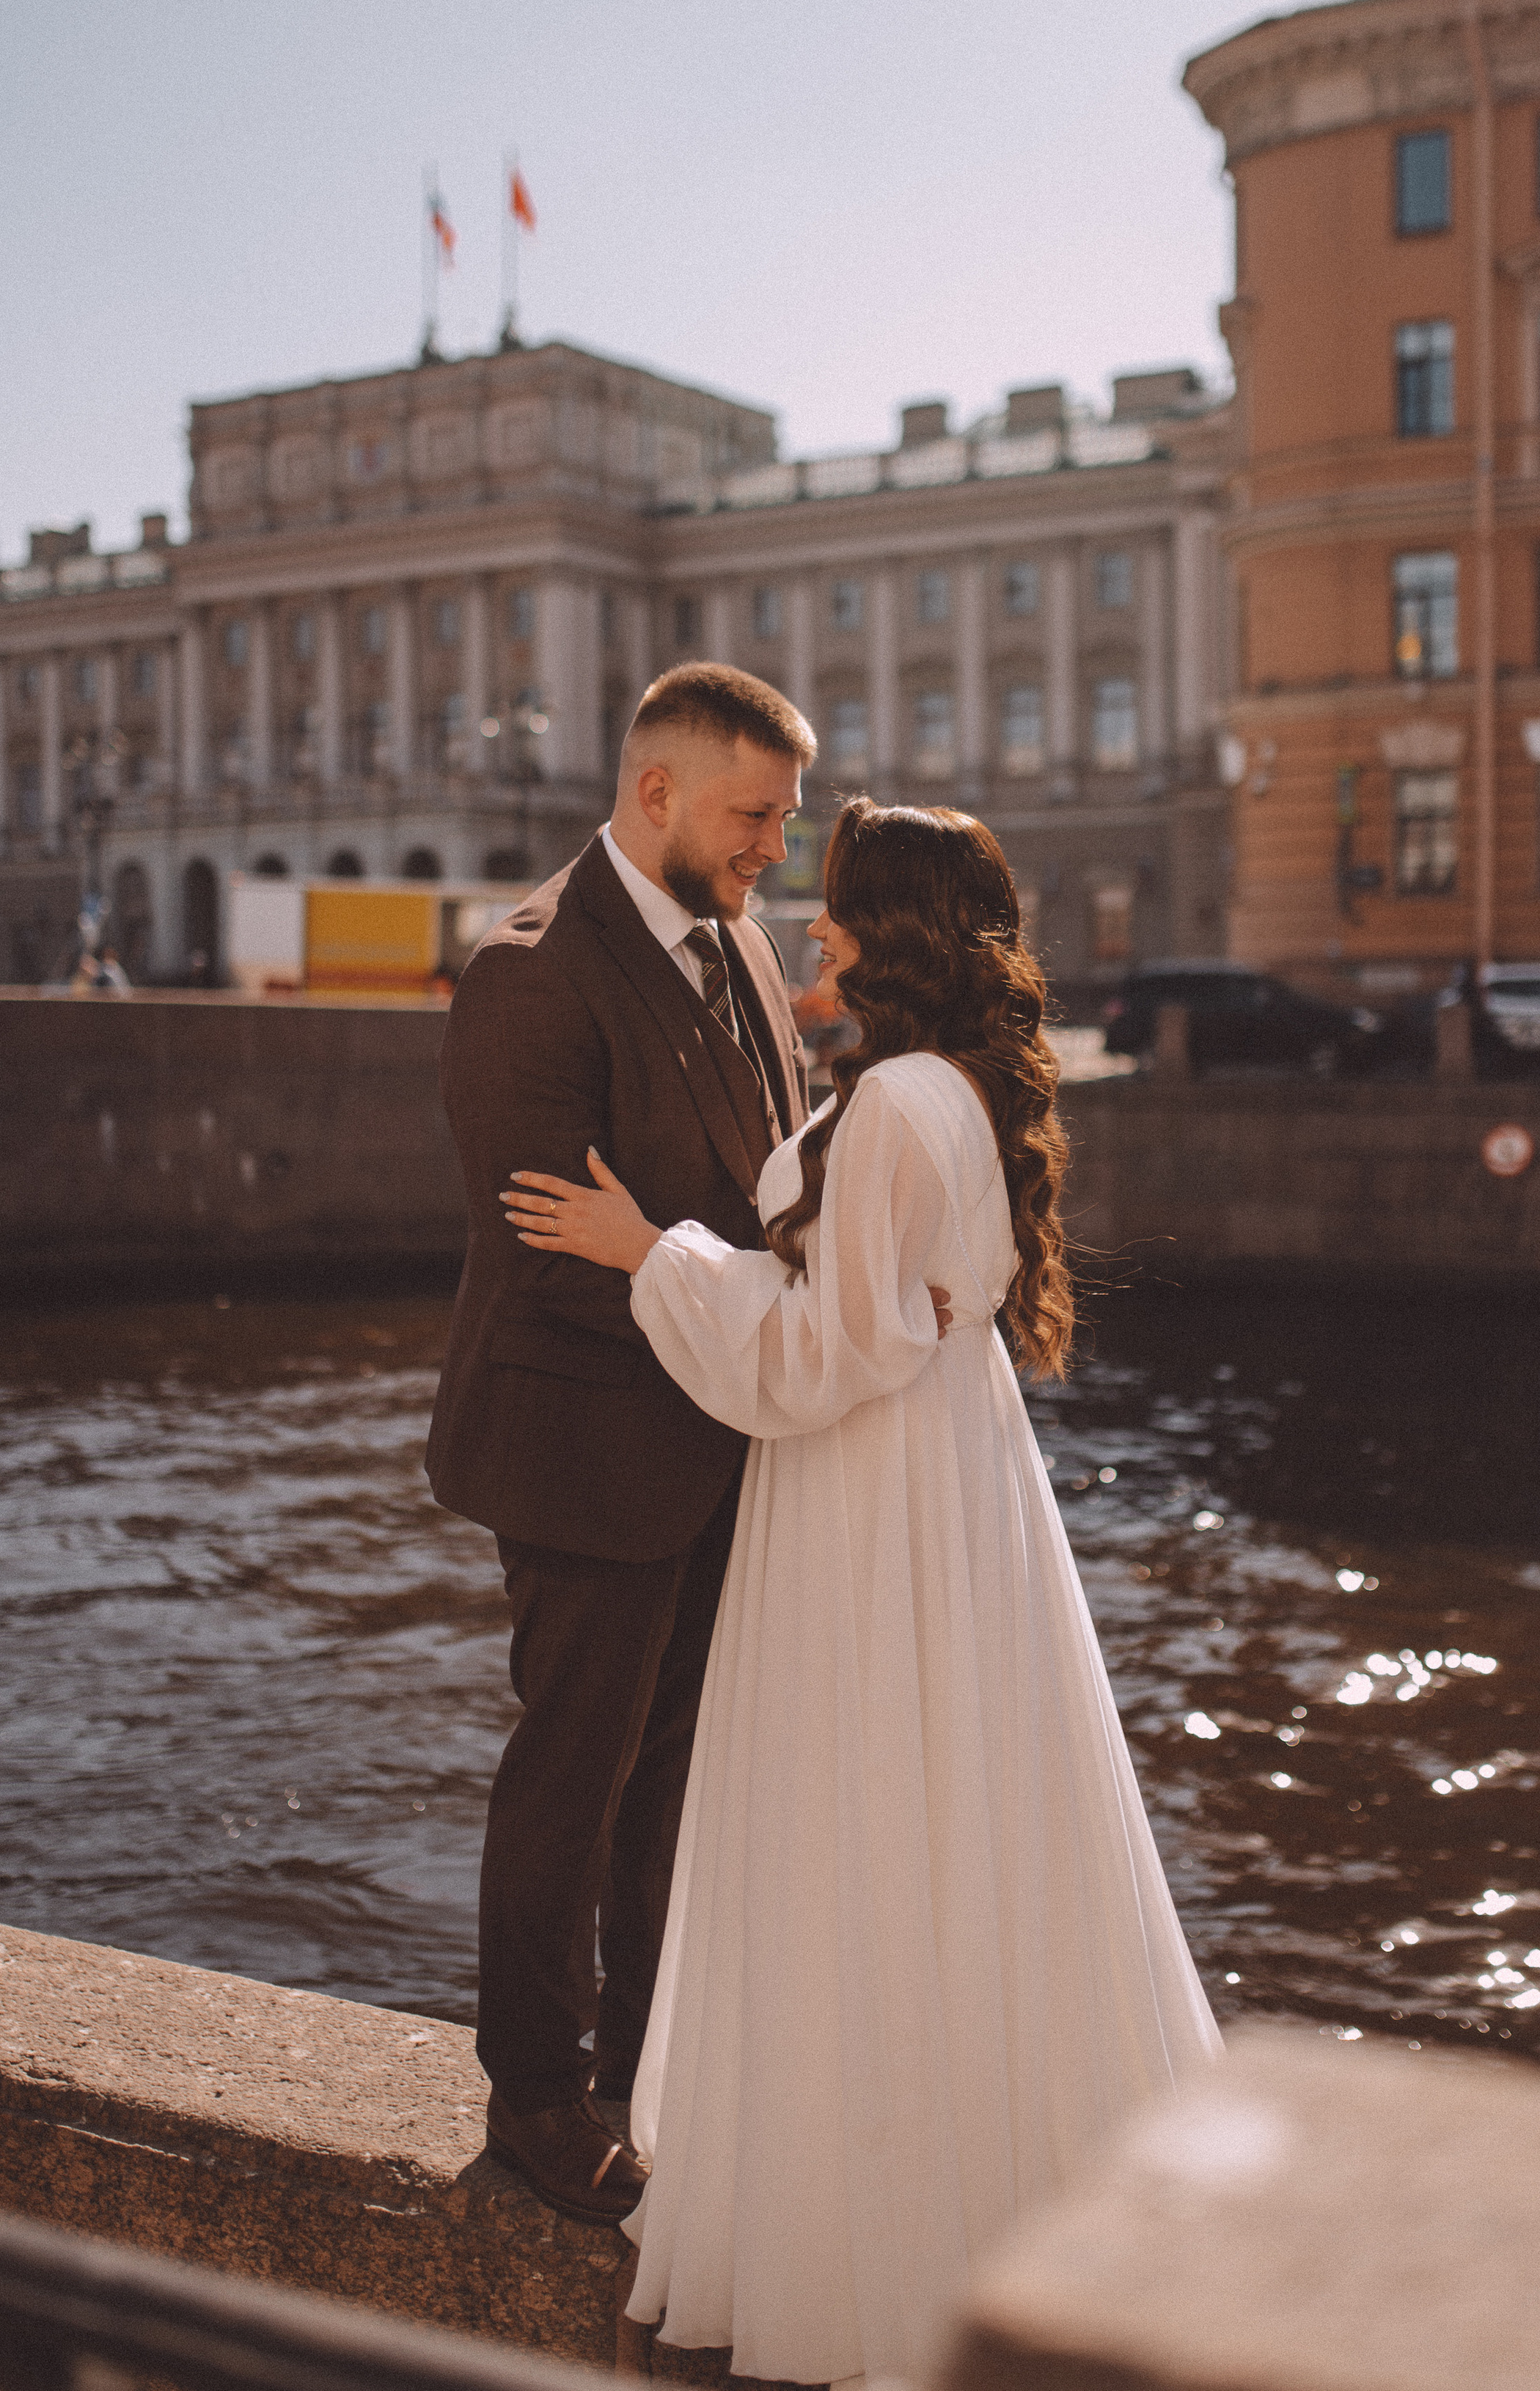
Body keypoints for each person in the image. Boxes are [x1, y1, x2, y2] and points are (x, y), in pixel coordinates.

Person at [503, 798, 1224, 2387]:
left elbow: (831, 1352)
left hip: (868, 1488)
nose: (811, 927)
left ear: (891, 930)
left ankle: (855, 2245)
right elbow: (892, 1318)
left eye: (834, 905)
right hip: (941, 1483)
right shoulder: (949, 1091)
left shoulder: (897, 1103)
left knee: (856, 1821)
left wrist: (651, 1253)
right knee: (948, 1824)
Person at [429, 662, 819, 2225]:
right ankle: (536, 2093)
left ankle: (646, 2067)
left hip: (715, 1438)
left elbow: (753, 1185)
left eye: (782, 820)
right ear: (653, 791)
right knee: (571, 1779)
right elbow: (549, 1260)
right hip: (588, 1451)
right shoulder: (529, 969)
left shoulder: (735, 939)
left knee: (669, 1784)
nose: (771, 850)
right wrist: (737, 1314)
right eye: (751, 815)